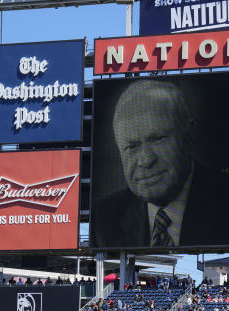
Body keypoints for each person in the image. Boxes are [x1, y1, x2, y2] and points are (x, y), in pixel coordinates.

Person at [93, 80, 220, 249]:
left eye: (158, 139)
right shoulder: (103, 220)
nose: (146, 160)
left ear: (188, 135)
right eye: (131, 146)